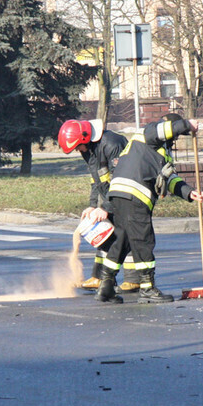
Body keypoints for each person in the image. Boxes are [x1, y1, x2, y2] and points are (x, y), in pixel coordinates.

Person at [87, 113, 203, 304]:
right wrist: (187, 125)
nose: (174, 138)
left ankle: (106, 286)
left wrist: (189, 193)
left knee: (122, 240)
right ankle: (147, 288)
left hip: (118, 195)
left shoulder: (161, 152)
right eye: (175, 134)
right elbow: (164, 129)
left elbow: (169, 179)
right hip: (135, 197)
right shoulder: (148, 133)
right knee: (143, 240)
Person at [57, 119, 142, 292]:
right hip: (111, 196)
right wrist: (92, 205)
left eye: (77, 147)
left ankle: (134, 280)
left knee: (127, 234)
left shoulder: (113, 144)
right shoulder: (89, 149)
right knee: (103, 234)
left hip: (129, 195)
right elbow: (96, 179)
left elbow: (121, 179)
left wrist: (105, 208)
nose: (78, 151)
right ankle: (99, 277)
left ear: (85, 138)